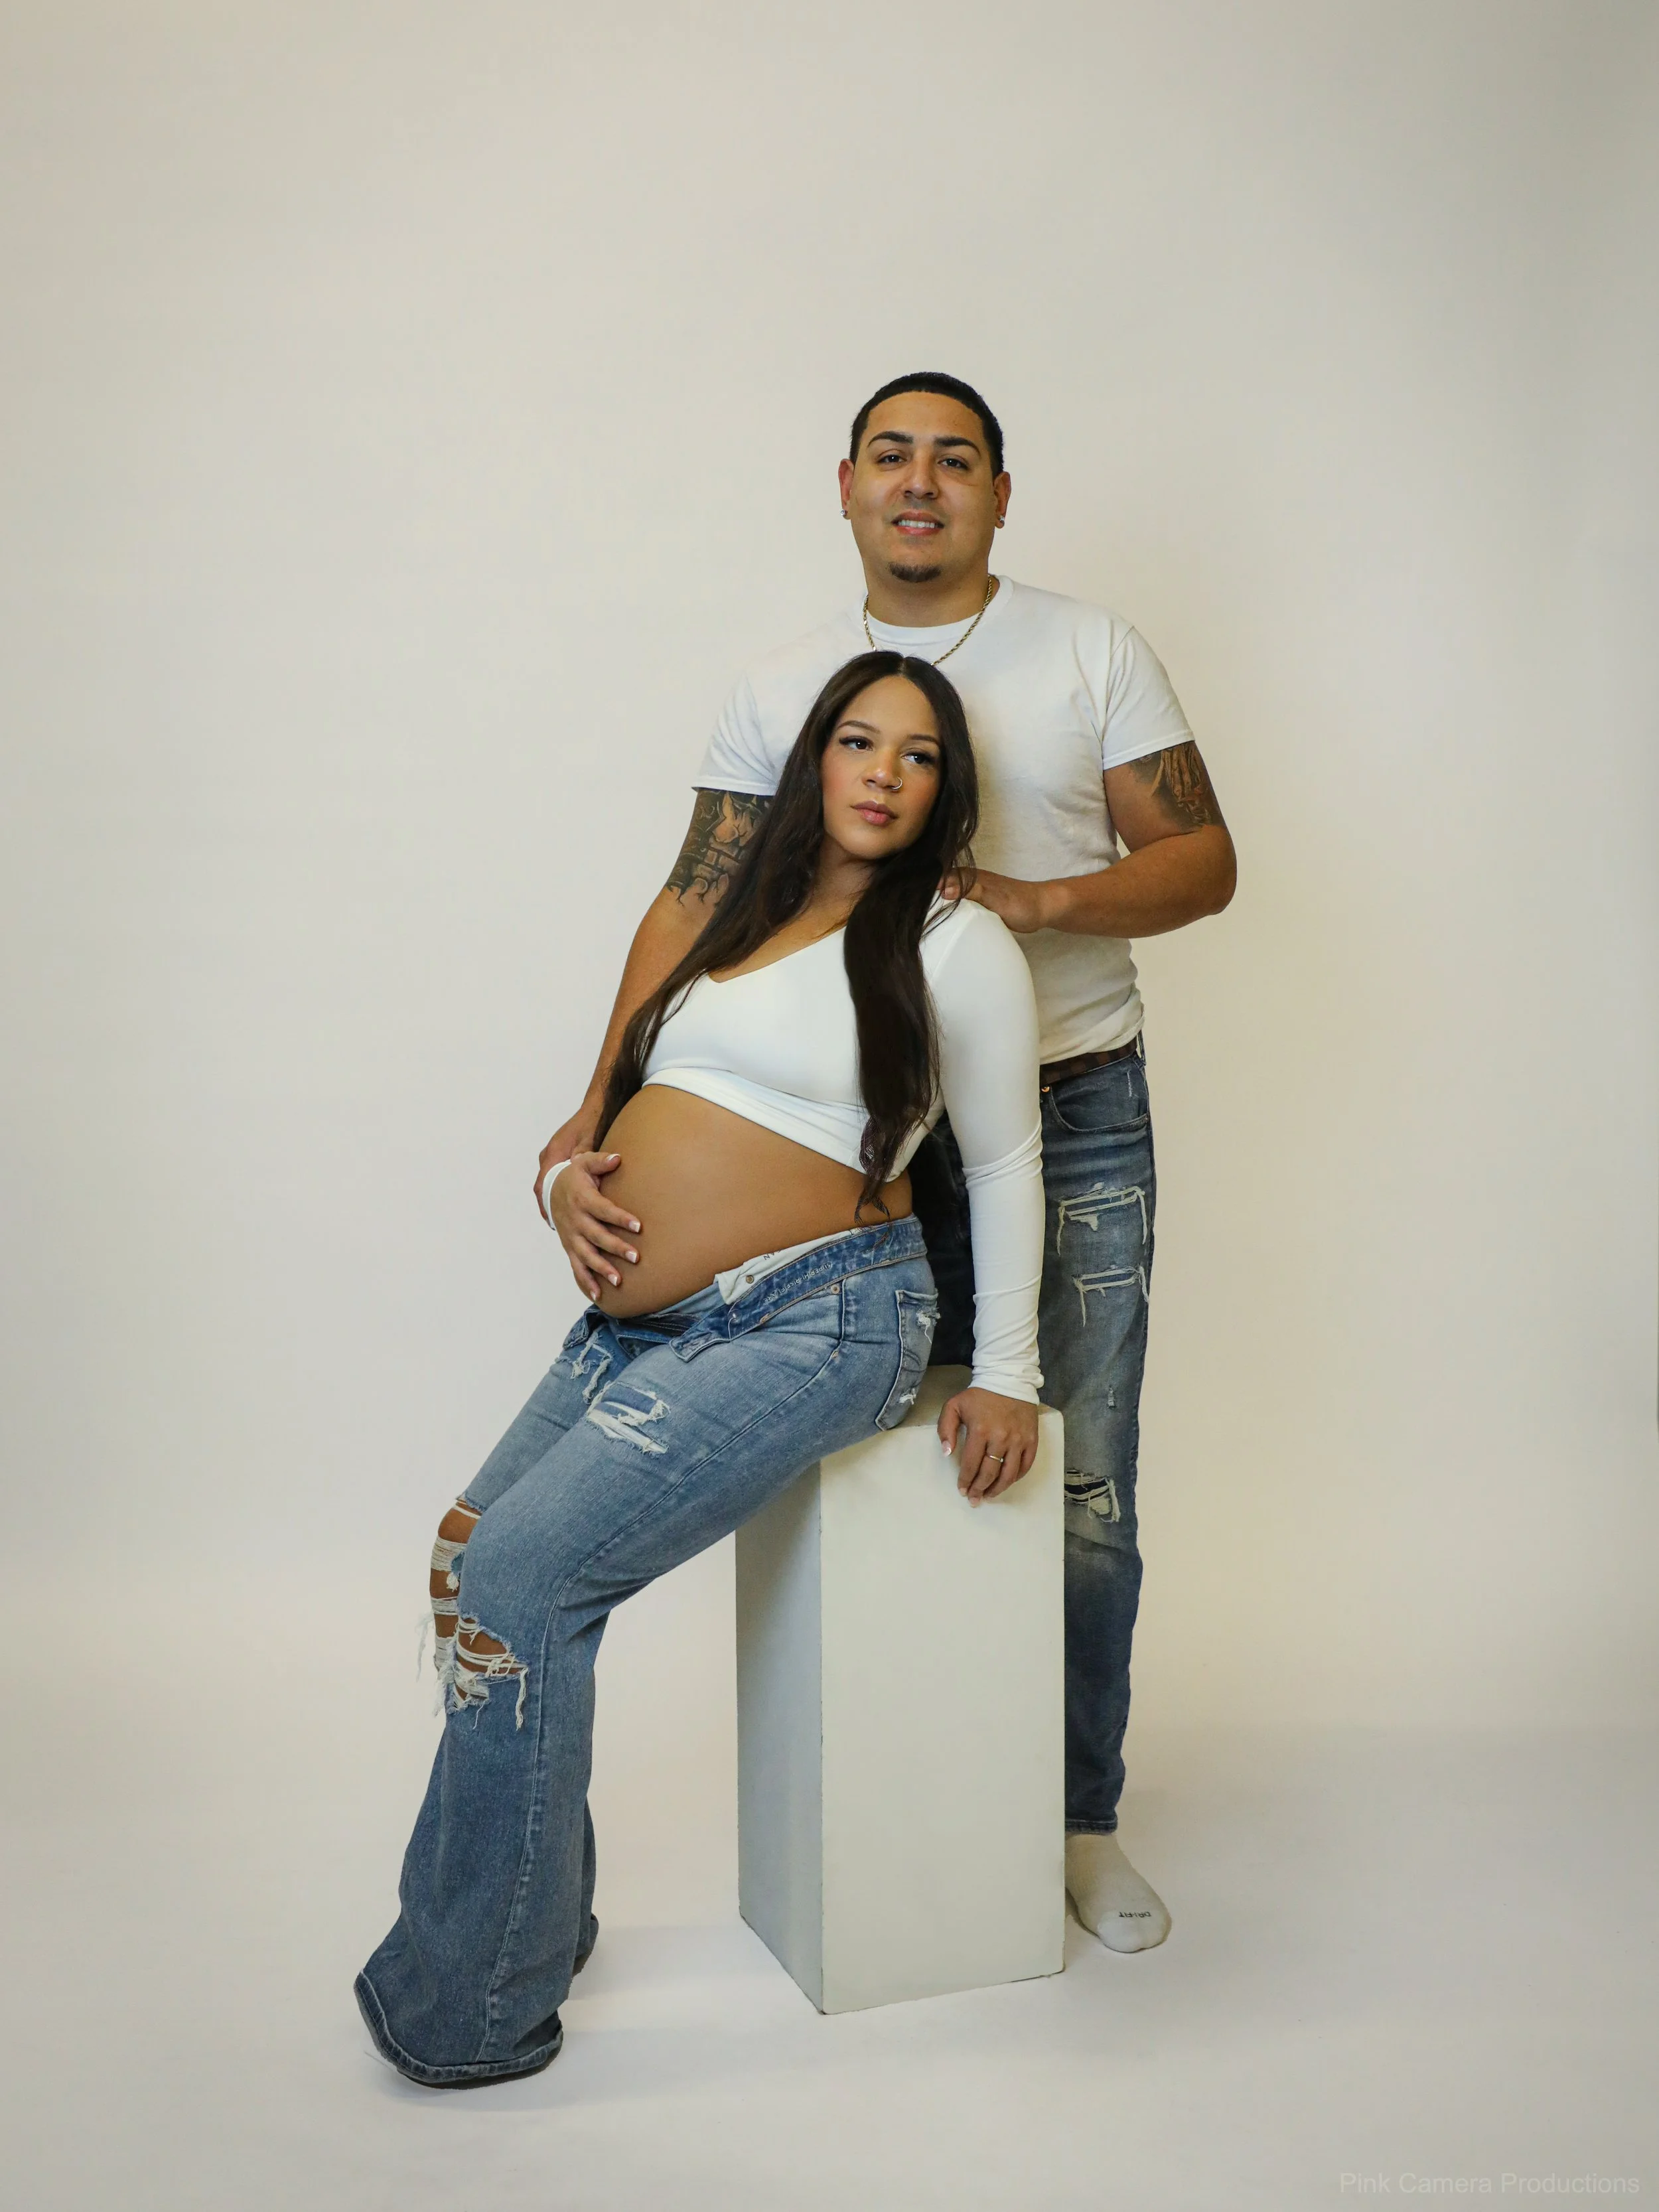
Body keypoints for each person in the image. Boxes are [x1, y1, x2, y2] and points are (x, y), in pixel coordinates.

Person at [542, 372, 1236, 1953]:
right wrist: (595, 1108)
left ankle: (1072, 1818)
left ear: (998, 493)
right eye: (890, 456)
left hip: (1064, 1104)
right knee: (861, 1473)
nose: (919, 483)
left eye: (955, 460)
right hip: (855, 1133)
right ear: (843, 485)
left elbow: (1200, 860)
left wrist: (1026, 907)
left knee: (1078, 1476)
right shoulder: (785, 681)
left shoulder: (1087, 647)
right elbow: (692, 899)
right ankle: (908, 1812)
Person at [357, 652, 1045, 2087]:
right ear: (812, 761)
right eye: (857, 741)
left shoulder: (955, 944)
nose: (880, 772)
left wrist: (1011, 1371)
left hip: (821, 1318)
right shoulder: (721, 913)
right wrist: (562, 1194)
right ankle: (533, 1914)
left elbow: (1002, 1158)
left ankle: (477, 2001)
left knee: (523, 1581)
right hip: (638, 1320)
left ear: (942, 793)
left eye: (916, 757)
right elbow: (589, 1120)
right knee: (468, 1555)